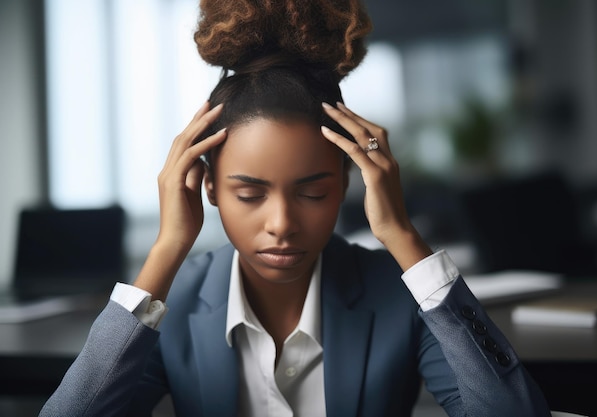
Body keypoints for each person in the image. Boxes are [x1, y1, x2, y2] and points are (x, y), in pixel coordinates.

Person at [40, 0, 551, 416]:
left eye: (312, 192)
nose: (282, 224)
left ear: (350, 181)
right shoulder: (170, 304)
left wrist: (401, 235)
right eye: (249, 194)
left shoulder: (401, 296)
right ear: (208, 187)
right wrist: (168, 248)